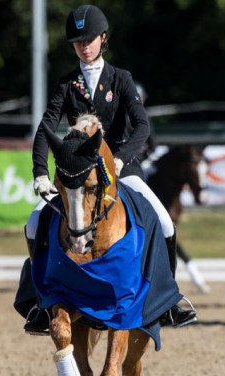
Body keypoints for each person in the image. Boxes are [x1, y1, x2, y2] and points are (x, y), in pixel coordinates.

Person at [23, 4, 196, 333]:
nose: (83, 47)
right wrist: (40, 173)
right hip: (78, 174)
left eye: (88, 40)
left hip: (121, 167)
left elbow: (142, 126)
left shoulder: (121, 79)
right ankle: (39, 301)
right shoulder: (66, 84)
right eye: (77, 42)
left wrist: (120, 158)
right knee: (33, 224)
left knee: (165, 222)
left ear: (103, 39)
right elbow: (46, 127)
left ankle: (167, 299)